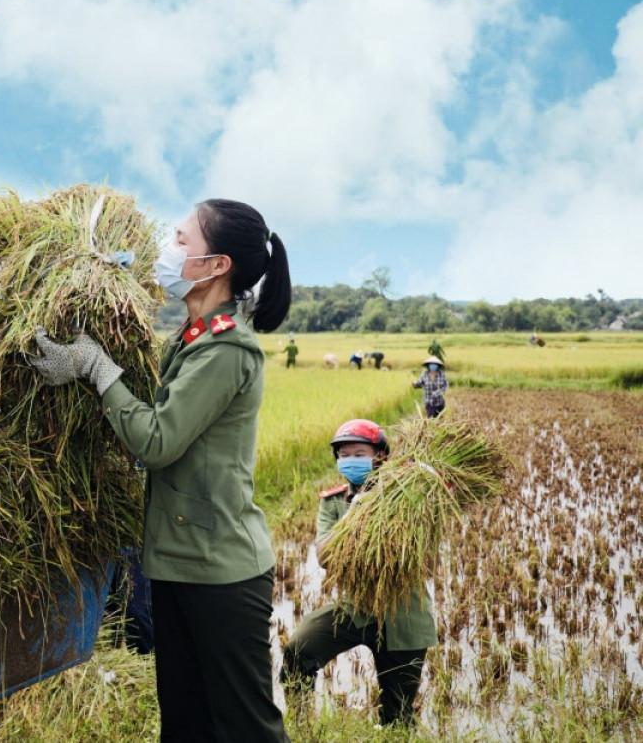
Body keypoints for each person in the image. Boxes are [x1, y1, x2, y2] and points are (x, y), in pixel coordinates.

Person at [28, 199, 292, 742]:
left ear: (215, 264)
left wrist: (96, 366)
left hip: (221, 572)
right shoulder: (191, 338)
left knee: (247, 729)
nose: (166, 250)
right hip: (176, 564)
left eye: (180, 240)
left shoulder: (227, 351)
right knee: (185, 721)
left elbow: (157, 440)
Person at [282, 419, 438, 727]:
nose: (350, 460)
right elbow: (326, 557)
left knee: (398, 716)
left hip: (404, 614)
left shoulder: (411, 499)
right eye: (344, 455)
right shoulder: (334, 501)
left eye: (358, 453)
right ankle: (299, 727)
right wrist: (355, 513)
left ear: (380, 455)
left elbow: (429, 565)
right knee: (299, 648)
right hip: (355, 609)